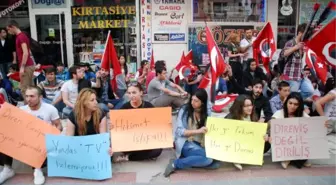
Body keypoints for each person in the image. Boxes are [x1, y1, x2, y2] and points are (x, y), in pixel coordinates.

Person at [0, 86, 62, 185]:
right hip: (24, 140)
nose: (28, 99)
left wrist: (52, 136)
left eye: (32, 96)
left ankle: (37, 170)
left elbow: (59, 126)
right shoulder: (21, 109)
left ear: (40, 97)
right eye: (27, 96)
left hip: (42, 141)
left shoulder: (50, 109)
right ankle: (7, 169)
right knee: (4, 137)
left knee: (37, 140)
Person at [164, 89, 219, 177]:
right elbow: (179, 131)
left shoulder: (206, 111)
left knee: (216, 160)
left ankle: (192, 160)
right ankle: (176, 163)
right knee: (208, 159)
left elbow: (211, 125)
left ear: (203, 102)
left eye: (196, 101)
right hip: (186, 142)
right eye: (192, 99)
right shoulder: (184, 110)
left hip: (201, 142)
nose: (192, 102)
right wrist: (198, 131)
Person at [113, 81, 162, 161]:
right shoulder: (124, 108)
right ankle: (140, 155)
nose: (131, 96)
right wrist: (114, 126)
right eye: (129, 93)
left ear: (141, 93)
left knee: (158, 150)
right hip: (130, 141)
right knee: (119, 144)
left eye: (134, 92)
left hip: (145, 139)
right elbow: (119, 129)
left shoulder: (149, 107)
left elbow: (157, 126)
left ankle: (128, 157)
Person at [225, 94, 270, 170]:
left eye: (250, 105)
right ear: (239, 107)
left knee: (267, 143)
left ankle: (250, 156)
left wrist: (263, 134)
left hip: (248, 144)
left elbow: (254, 134)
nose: (249, 108)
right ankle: (236, 158)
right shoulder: (231, 117)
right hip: (235, 145)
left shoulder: (253, 115)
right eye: (246, 106)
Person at [65, 88, 113, 153]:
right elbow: (69, 139)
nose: (96, 102)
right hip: (78, 148)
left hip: (96, 147)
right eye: (92, 100)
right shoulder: (73, 115)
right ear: (84, 102)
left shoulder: (100, 114)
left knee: (107, 153)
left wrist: (107, 147)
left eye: (95, 99)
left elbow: (103, 137)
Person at [271, 92, 311, 169]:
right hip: (283, 144)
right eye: (290, 103)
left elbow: (312, 124)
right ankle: (287, 158)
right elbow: (272, 129)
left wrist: (323, 124)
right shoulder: (279, 113)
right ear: (286, 102)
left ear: (299, 105)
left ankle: (294, 159)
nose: (292, 106)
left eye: (296, 104)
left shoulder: (302, 114)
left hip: (297, 143)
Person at [281, 23, 314, 100]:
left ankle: (297, 101)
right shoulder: (290, 43)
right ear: (299, 33)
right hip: (291, 76)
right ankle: (292, 103)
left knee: (310, 91)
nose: (307, 36)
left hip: (300, 75)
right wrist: (296, 47)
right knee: (291, 97)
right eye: (305, 34)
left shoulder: (303, 43)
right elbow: (284, 54)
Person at [6, 20, 36, 102]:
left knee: (25, 89)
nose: (8, 32)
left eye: (8, 29)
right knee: (30, 89)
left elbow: (25, 53)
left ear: (13, 27)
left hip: (26, 66)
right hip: (28, 65)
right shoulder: (21, 36)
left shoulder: (21, 36)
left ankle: (29, 108)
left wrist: (22, 67)